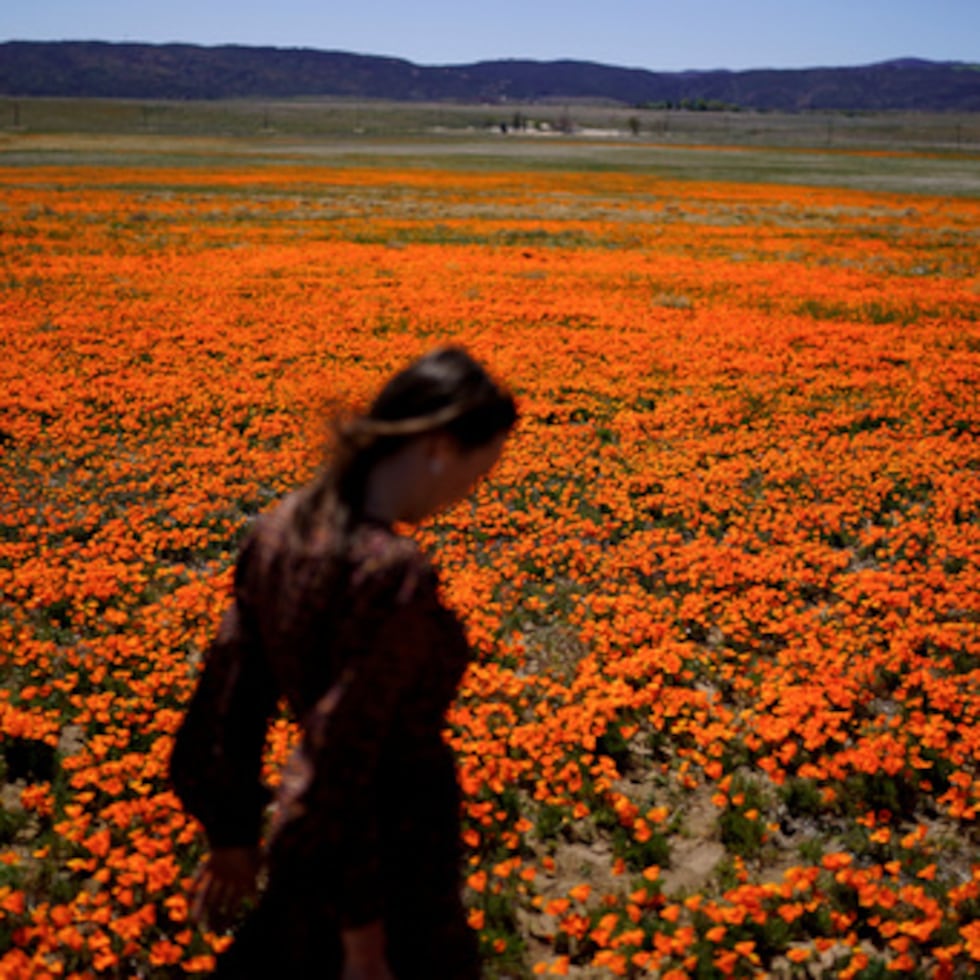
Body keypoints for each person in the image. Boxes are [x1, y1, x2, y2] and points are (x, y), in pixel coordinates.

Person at [169, 346, 517, 979]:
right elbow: (340, 760)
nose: (469, 494)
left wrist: (233, 832)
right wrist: (364, 937)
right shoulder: (391, 573)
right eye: (478, 473)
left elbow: (228, 701)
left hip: (310, 856)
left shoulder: (280, 531)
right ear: (440, 446)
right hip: (390, 863)